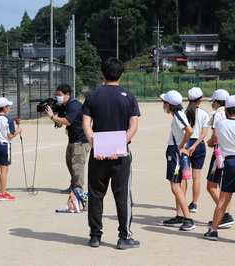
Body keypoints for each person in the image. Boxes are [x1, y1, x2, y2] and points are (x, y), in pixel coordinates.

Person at [82, 58, 141, 249]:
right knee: (123, 196)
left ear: (102, 73)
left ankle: (95, 236)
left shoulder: (92, 96)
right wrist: (117, 146)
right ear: (122, 74)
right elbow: (133, 127)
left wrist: (98, 146)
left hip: (97, 155)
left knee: (96, 194)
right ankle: (124, 237)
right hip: (121, 155)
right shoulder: (129, 97)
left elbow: (86, 125)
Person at [204, 95, 235, 243]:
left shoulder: (221, 124)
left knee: (224, 198)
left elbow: (215, 139)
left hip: (230, 162)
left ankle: (213, 230)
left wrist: (210, 142)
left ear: (226, 109)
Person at [44, 84, 90, 193]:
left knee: (77, 165)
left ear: (67, 95)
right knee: (70, 163)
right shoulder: (64, 106)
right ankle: (73, 186)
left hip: (81, 140)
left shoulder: (74, 105)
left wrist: (52, 116)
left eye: (60, 95)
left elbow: (67, 121)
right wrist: (54, 117)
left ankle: (78, 189)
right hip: (72, 139)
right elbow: (60, 123)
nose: (58, 97)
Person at [161, 90, 195, 231]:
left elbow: (189, 131)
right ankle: (180, 216)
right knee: (179, 185)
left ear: (168, 105)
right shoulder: (178, 114)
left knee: (175, 187)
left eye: (164, 103)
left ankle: (188, 219)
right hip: (175, 151)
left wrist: (181, 146)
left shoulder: (178, 116)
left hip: (175, 152)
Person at [205, 89, 235, 228]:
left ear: (216, 103)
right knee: (225, 187)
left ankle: (225, 215)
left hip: (219, 153)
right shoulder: (231, 112)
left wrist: (210, 142)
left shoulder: (218, 114)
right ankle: (225, 214)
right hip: (231, 153)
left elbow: (216, 135)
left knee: (211, 186)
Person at [0, 97, 22, 201]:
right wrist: (18, 131)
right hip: (4, 146)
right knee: (4, 170)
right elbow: (10, 136)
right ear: (5, 107)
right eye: (8, 106)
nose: (9, 108)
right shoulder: (8, 120)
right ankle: (3, 193)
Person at [183, 87, 209, 213]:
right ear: (201, 99)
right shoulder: (204, 113)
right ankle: (194, 204)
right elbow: (204, 133)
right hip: (199, 145)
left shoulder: (182, 112)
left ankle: (182, 202)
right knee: (196, 177)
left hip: (185, 144)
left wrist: (188, 145)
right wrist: (195, 145)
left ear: (188, 98)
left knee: (184, 177)